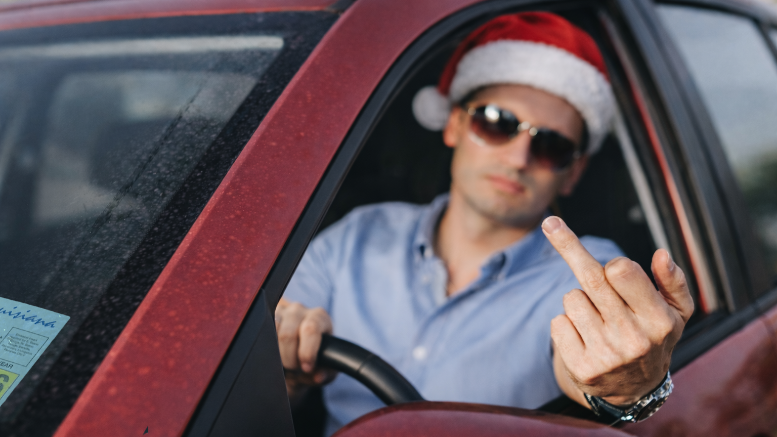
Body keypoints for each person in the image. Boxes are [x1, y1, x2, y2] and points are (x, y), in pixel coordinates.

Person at [276, 11, 694, 434]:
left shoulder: (586, 272)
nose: (518, 159)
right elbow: (247, 375)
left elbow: (588, 372)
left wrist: (623, 388)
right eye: (497, 123)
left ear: (573, 172)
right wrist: (288, 369)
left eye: (551, 145)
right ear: (455, 124)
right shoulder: (357, 234)